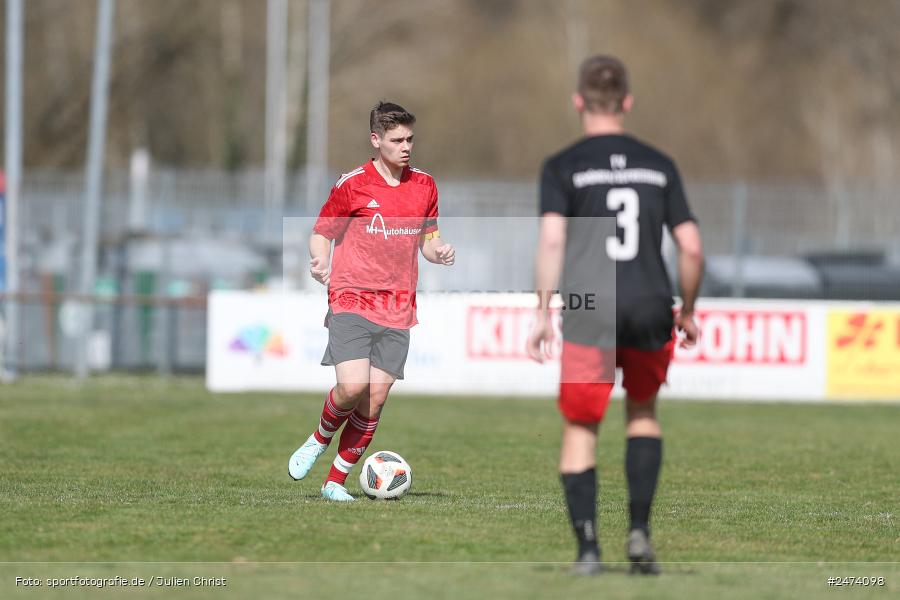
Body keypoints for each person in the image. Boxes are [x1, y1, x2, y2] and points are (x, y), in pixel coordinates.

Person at [527, 55, 704, 575]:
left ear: (579, 102)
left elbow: (553, 238)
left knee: (582, 427)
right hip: (651, 302)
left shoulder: (563, 165)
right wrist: (688, 310)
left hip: (592, 306)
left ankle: (587, 550)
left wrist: (541, 311)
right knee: (643, 414)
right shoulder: (659, 163)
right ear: (626, 102)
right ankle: (640, 534)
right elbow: (691, 247)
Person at [288, 101, 455, 501]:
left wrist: (439, 252)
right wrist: (319, 260)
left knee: (375, 398)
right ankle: (318, 438)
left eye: (410, 139)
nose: (406, 146)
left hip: (398, 307)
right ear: (376, 140)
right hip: (351, 299)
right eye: (397, 139)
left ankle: (334, 482)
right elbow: (321, 232)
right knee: (351, 387)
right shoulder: (353, 184)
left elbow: (428, 242)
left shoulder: (425, 186)